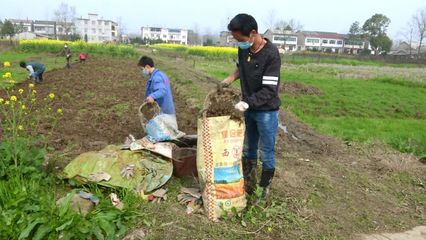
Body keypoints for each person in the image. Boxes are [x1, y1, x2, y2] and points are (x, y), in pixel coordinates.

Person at [221, 14, 281, 199]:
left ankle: (265, 189)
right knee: (248, 148)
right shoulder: (244, 50)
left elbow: (270, 90)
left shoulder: (271, 54)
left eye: (240, 39)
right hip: (249, 109)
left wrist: (247, 102)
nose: (239, 43)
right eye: (236, 40)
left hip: (266, 111)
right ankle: (249, 181)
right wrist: (231, 78)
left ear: (253, 33)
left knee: (266, 150)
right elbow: (241, 68)